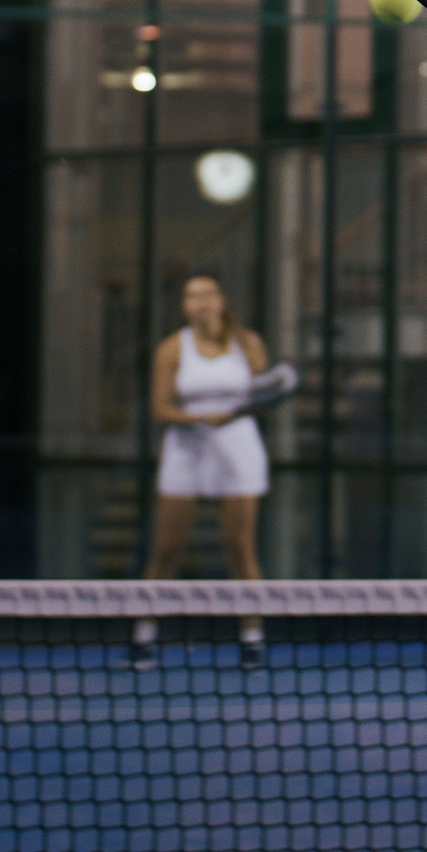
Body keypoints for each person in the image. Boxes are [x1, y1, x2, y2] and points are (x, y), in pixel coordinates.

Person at [131, 271, 278, 671]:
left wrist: (242, 410)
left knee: (241, 548)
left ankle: (252, 641)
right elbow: (161, 408)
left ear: (221, 300)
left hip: (238, 451)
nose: (202, 301)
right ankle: (143, 639)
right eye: (193, 296)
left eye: (209, 293)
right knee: (166, 551)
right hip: (186, 451)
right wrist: (200, 419)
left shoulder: (248, 344)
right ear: (184, 306)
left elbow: (264, 396)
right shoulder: (171, 350)